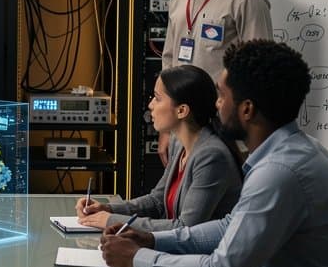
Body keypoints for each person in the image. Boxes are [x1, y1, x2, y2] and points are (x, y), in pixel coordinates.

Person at [100, 40, 328, 267]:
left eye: (221, 95)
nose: (216, 104)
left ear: (247, 109)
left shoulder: (278, 172)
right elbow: (231, 224)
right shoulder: (296, 149)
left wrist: (138, 258)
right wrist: (152, 240)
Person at [157, 0, 272, 164]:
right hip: (181, 124)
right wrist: (166, 129)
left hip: (223, 126)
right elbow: (169, 62)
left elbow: (259, 72)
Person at [75, 65, 241, 232]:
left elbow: (185, 228)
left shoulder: (211, 156)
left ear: (182, 110)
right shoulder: (178, 143)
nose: (150, 105)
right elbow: (157, 200)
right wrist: (107, 209)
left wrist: (111, 221)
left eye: (157, 98)